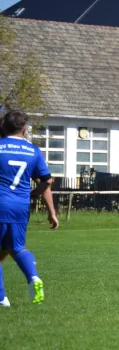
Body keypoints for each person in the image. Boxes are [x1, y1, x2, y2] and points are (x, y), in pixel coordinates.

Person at [0, 110, 59, 307]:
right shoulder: (33, 151)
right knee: (16, 248)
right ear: (24, 130)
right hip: (20, 206)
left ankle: (2, 299)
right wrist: (50, 211)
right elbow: (47, 181)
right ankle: (33, 277)